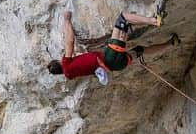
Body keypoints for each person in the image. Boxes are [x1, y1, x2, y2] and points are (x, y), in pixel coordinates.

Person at [47, 9, 178, 85]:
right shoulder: (66, 63)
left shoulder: (70, 74)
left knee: (139, 50)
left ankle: (171, 42)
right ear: (59, 62)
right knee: (123, 18)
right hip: (109, 56)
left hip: (116, 66)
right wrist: (67, 20)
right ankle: (154, 20)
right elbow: (69, 41)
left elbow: (87, 67)